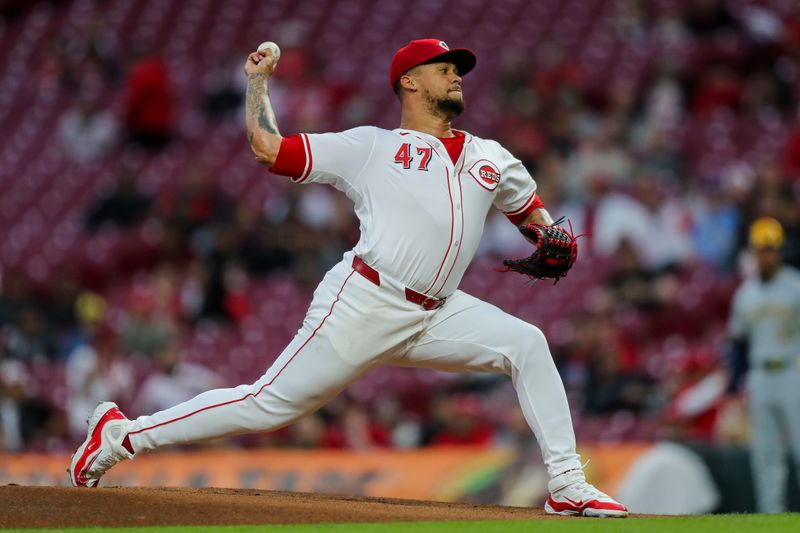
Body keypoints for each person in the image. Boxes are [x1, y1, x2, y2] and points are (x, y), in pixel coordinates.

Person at [68, 39, 628, 518]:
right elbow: (269, 149)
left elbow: (533, 215)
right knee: (269, 404)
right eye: (444, 67)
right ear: (409, 82)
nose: (456, 74)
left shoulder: (492, 157)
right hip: (365, 300)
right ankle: (121, 434)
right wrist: (257, 84)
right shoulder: (371, 147)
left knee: (526, 343)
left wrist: (551, 236)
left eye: (457, 68)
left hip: (437, 311)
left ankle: (565, 486)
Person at [726, 217, 800, 513]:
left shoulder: (795, 286)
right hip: (760, 375)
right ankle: (772, 515)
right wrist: (734, 385)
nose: (765, 255)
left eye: (770, 249)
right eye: (760, 249)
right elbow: (738, 344)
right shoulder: (745, 294)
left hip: (793, 370)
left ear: (779, 250)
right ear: (753, 252)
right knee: (766, 453)